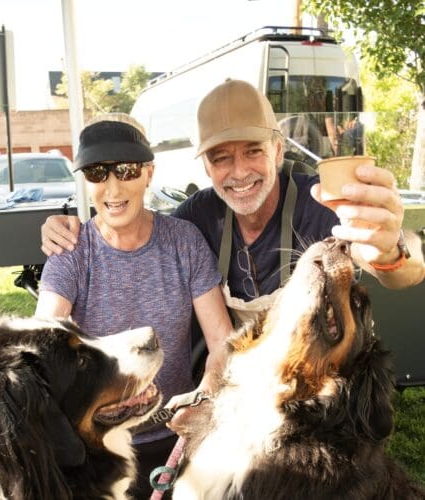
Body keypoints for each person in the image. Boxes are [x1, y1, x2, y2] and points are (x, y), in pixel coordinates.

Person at [41, 80, 424, 327]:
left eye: (252, 151)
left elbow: (404, 269)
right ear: (206, 166)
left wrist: (391, 249)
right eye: (221, 157)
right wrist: (70, 226)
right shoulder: (196, 215)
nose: (239, 173)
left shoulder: (320, 202)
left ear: (276, 150)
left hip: (325, 390)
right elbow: (140, 232)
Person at [35, 113, 233, 499]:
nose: (112, 187)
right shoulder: (72, 252)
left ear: (148, 174)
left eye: (125, 171)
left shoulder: (184, 242)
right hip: (101, 444)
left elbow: (222, 339)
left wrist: (204, 400)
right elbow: (44, 341)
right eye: (97, 173)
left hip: (177, 433)